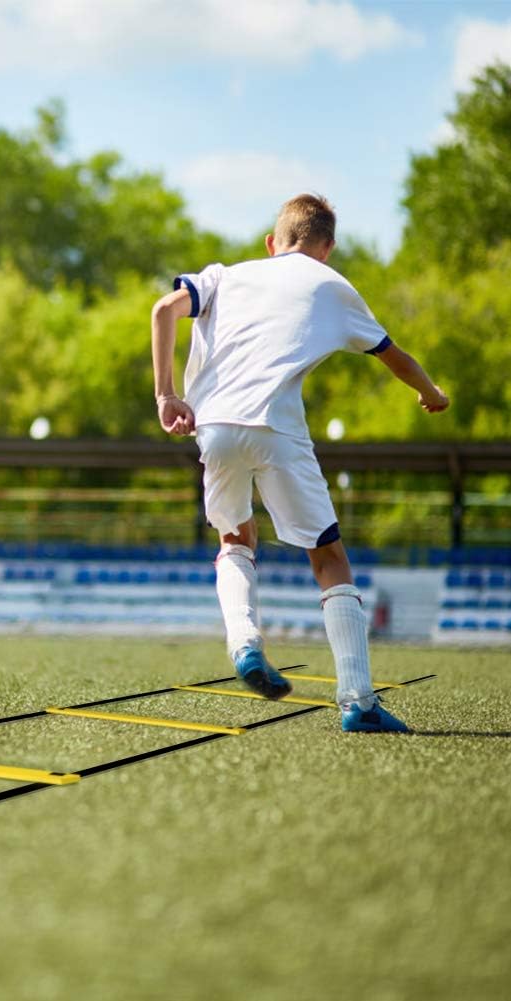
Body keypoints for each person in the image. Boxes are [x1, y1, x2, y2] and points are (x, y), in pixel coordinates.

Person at [150, 194, 449, 733]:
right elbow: (393, 355)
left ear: (272, 244)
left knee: (235, 541)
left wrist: (166, 396)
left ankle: (243, 642)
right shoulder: (332, 286)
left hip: (213, 427)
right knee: (328, 558)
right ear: (326, 250)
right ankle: (358, 703)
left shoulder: (227, 275)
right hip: (277, 428)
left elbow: (162, 309)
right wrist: (430, 393)